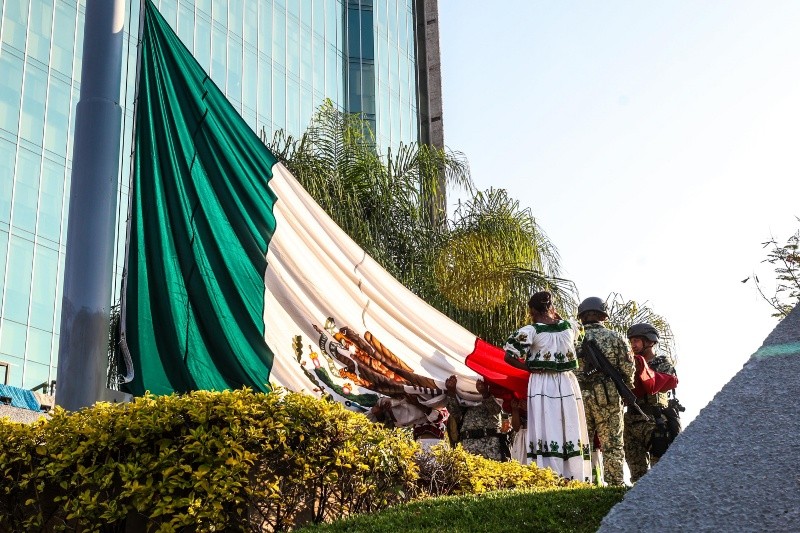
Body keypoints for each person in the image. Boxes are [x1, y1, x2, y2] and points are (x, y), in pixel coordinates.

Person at [503, 291, 591, 481]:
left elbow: (509, 356)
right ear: (552, 308)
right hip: (567, 382)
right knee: (568, 424)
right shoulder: (570, 327)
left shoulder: (531, 331)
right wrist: (557, 317)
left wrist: (527, 367)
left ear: (533, 310)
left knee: (546, 425)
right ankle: (573, 474)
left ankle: (548, 474)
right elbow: (580, 335)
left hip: (541, 383)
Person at [576, 296, 635, 486]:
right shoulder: (615, 338)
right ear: (603, 315)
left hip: (577, 398)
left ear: (582, 317)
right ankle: (614, 485)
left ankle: (581, 484)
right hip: (608, 396)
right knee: (612, 445)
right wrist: (627, 387)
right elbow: (628, 369)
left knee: (582, 444)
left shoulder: (573, 339)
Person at [624, 323, 678, 482]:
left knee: (659, 472)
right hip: (632, 420)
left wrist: (642, 366)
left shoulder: (662, 363)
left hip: (654, 420)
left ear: (650, 342)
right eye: (631, 341)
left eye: (637, 341)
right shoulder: (629, 365)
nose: (633, 345)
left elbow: (654, 384)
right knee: (636, 473)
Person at [445, 374, 505, 461]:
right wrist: (451, 392)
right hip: (468, 444)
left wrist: (485, 394)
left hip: (490, 445)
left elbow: (495, 410)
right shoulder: (462, 396)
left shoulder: (493, 391)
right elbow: (456, 414)